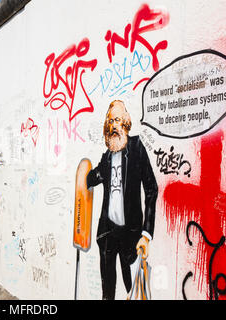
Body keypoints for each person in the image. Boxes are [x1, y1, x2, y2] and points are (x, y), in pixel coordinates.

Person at [86, 100, 158, 300]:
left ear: (126, 122)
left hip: (131, 236)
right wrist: (87, 175)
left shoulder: (136, 148)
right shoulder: (107, 157)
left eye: (117, 119)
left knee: (133, 291)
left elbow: (151, 188)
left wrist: (146, 234)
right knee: (107, 293)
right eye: (110, 121)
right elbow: (91, 178)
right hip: (108, 234)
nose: (113, 125)